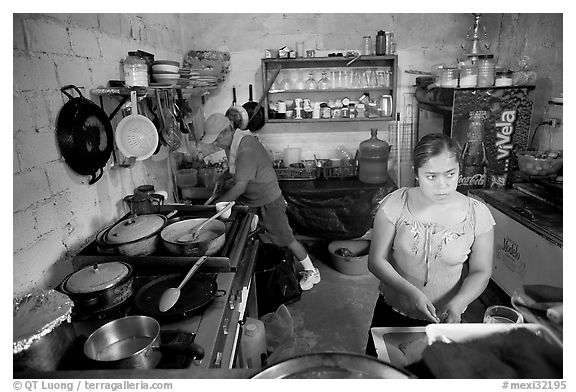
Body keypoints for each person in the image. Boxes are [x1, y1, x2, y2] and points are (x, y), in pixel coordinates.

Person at [365, 133, 495, 357]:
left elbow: (481, 271)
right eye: (431, 176)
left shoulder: (477, 214)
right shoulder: (396, 203)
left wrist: (458, 303)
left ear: (459, 171)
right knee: (382, 374)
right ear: (416, 173)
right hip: (395, 310)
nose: (442, 185)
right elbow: (376, 260)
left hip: (447, 317)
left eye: (450, 174)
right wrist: (412, 293)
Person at [205, 115, 321, 291]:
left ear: (227, 131)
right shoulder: (235, 143)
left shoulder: (246, 148)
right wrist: (223, 178)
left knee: (286, 238)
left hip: (268, 201)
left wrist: (215, 206)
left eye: (216, 139)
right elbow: (237, 171)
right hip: (252, 199)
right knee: (256, 235)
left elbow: (239, 187)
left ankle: (311, 271)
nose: (216, 144)